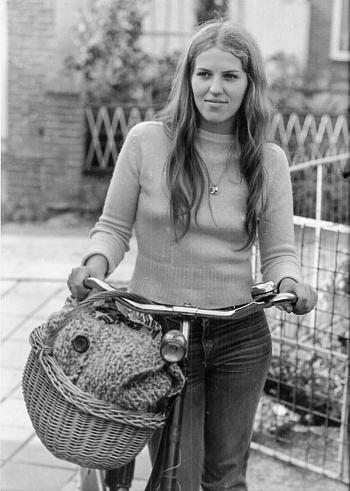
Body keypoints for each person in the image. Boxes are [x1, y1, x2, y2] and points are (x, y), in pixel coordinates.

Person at [68, 19, 317, 491]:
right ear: (188, 79)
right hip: (157, 332)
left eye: (230, 76)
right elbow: (114, 227)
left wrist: (290, 284)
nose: (215, 88)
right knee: (176, 479)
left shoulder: (268, 161)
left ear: (249, 84)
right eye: (204, 74)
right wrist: (94, 265)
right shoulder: (147, 142)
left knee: (225, 479)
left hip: (238, 336)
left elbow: (280, 252)